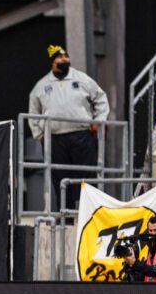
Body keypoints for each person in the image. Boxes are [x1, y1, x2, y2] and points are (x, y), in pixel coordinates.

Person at [28, 45, 109, 210]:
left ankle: (89, 214)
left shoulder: (82, 79)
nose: (64, 59)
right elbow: (33, 111)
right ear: (52, 62)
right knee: (60, 179)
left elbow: (101, 98)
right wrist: (39, 135)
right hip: (55, 138)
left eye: (66, 56)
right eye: (60, 57)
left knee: (87, 177)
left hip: (81, 135)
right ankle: (65, 216)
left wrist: (98, 121)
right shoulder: (42, 85)